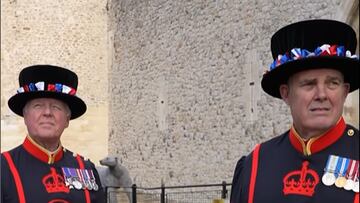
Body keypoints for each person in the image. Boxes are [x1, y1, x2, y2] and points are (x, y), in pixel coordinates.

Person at [230, 19, 359, 203]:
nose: (322, 94)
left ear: (345, 91)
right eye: (309, 84)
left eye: (333, 83)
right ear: (286, 93)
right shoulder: (255, 164)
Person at [1, 65, 105, 203]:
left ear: (67, 120)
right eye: (38, 105)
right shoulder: (3, 168)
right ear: (25, 116)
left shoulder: (85, 169)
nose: (47, 113)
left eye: (56, 107)